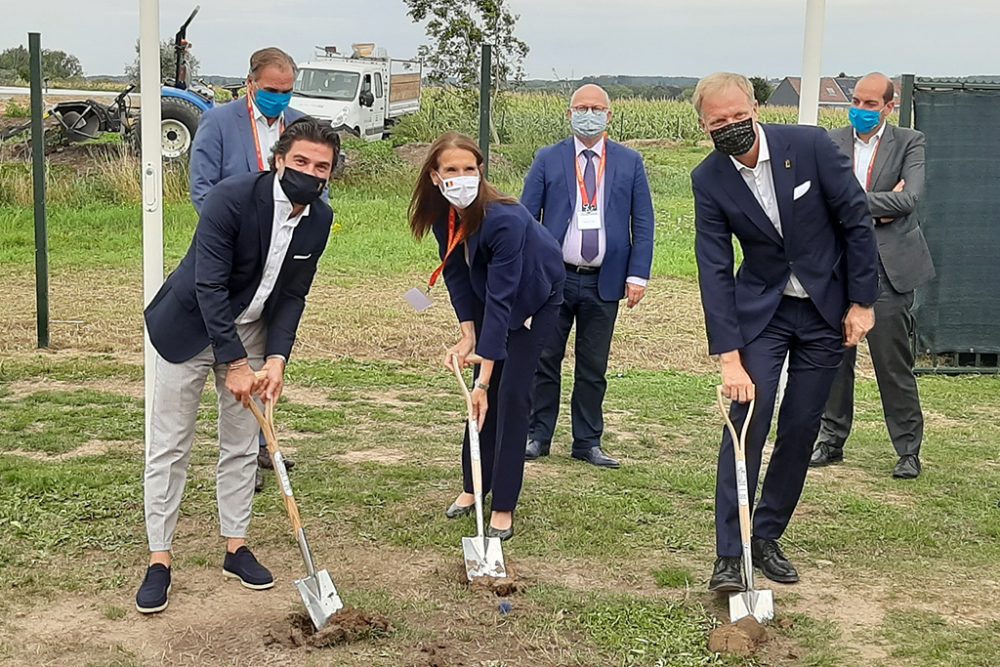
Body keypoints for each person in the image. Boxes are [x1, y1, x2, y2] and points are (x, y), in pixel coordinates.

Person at [135, 119, 340, 614]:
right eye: (301, 163)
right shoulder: (232, 197)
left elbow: (293, 294)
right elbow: (209, 286)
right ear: (278, 160)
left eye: (321, 167)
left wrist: (275, 359)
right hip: (187, 328)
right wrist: (233, 364)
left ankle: (235, 547)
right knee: (170, 444)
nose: (310, 174)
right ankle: (160, 560)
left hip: (252, 331)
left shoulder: (319, 219)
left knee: (243, 445)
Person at [690, 73, 879, 592]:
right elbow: (713, 266)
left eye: (737, 115)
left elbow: (856, 222)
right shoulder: (709, 179)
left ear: (754, 106)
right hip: (763, 315)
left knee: (800, 427)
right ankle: (730, 553)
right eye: (717, 122)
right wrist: (729, 355)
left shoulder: (810, 145)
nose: (731, 127)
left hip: (826, 313)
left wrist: (862, 302)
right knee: (748, 420)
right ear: (704, 125)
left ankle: (767, 535)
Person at [409, 132, 565, 540]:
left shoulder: (506, 220)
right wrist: (467, 337)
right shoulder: (444, 215)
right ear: (434, 176)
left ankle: (503, 506)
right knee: (483, 401)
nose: (461, 177)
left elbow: (503, 302)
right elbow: (457, 278)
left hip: (533, 301)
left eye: (469, 169)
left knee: (509, 395)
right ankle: (473, 486)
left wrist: (483, 378)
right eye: (451, 170)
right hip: (491, 295)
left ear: (480, 171)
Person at [521, 84, 655, 468]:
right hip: (555, 279)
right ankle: (537, 434)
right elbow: (526, 219)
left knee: (593, 365)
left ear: (609, 115)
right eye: (582, 107)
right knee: (545, 358)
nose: (589, 114)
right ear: (569, 114)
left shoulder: (630, 162)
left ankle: (587, 441)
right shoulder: (548, 159)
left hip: (605, 280)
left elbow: (642, 223)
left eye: (597, 108)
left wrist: (638, 275)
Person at [189, 47, 303, 492]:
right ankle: (241, 454)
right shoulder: (219, 123)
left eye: (287, 91)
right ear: (251, 83)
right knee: (235, 351)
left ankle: (260, 442)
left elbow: (319, 188)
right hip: (231, 261)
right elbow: (203, 190)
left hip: (278, 260)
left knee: (267, 352)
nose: (279, 98)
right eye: (272, 90)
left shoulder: (299, 125)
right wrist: (232, 242)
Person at [811, 72, 935, 480]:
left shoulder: (910, 142)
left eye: (870, 104)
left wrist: (851, 202)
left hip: (888, 269)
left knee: (892, 362)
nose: (861, 111)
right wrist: (879, 205)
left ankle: (907, 450)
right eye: (857, 103)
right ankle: (831, 440)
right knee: (834, 358)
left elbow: (910, 198)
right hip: (838, 265)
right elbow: (819, 197)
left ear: (888, 105)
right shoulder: (831, 142)